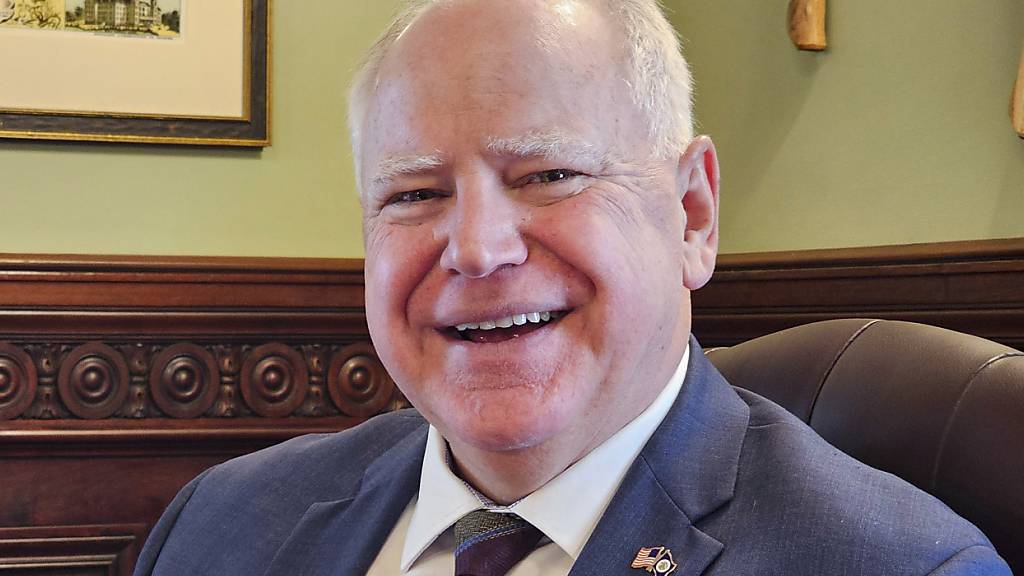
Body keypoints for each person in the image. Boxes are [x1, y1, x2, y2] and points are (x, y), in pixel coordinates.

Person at [132, 1, 1012, 575]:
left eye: (549, 175)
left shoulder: (898, 565)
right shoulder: (220, 525)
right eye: (414, 194)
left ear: (693, 214)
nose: (476, 250)